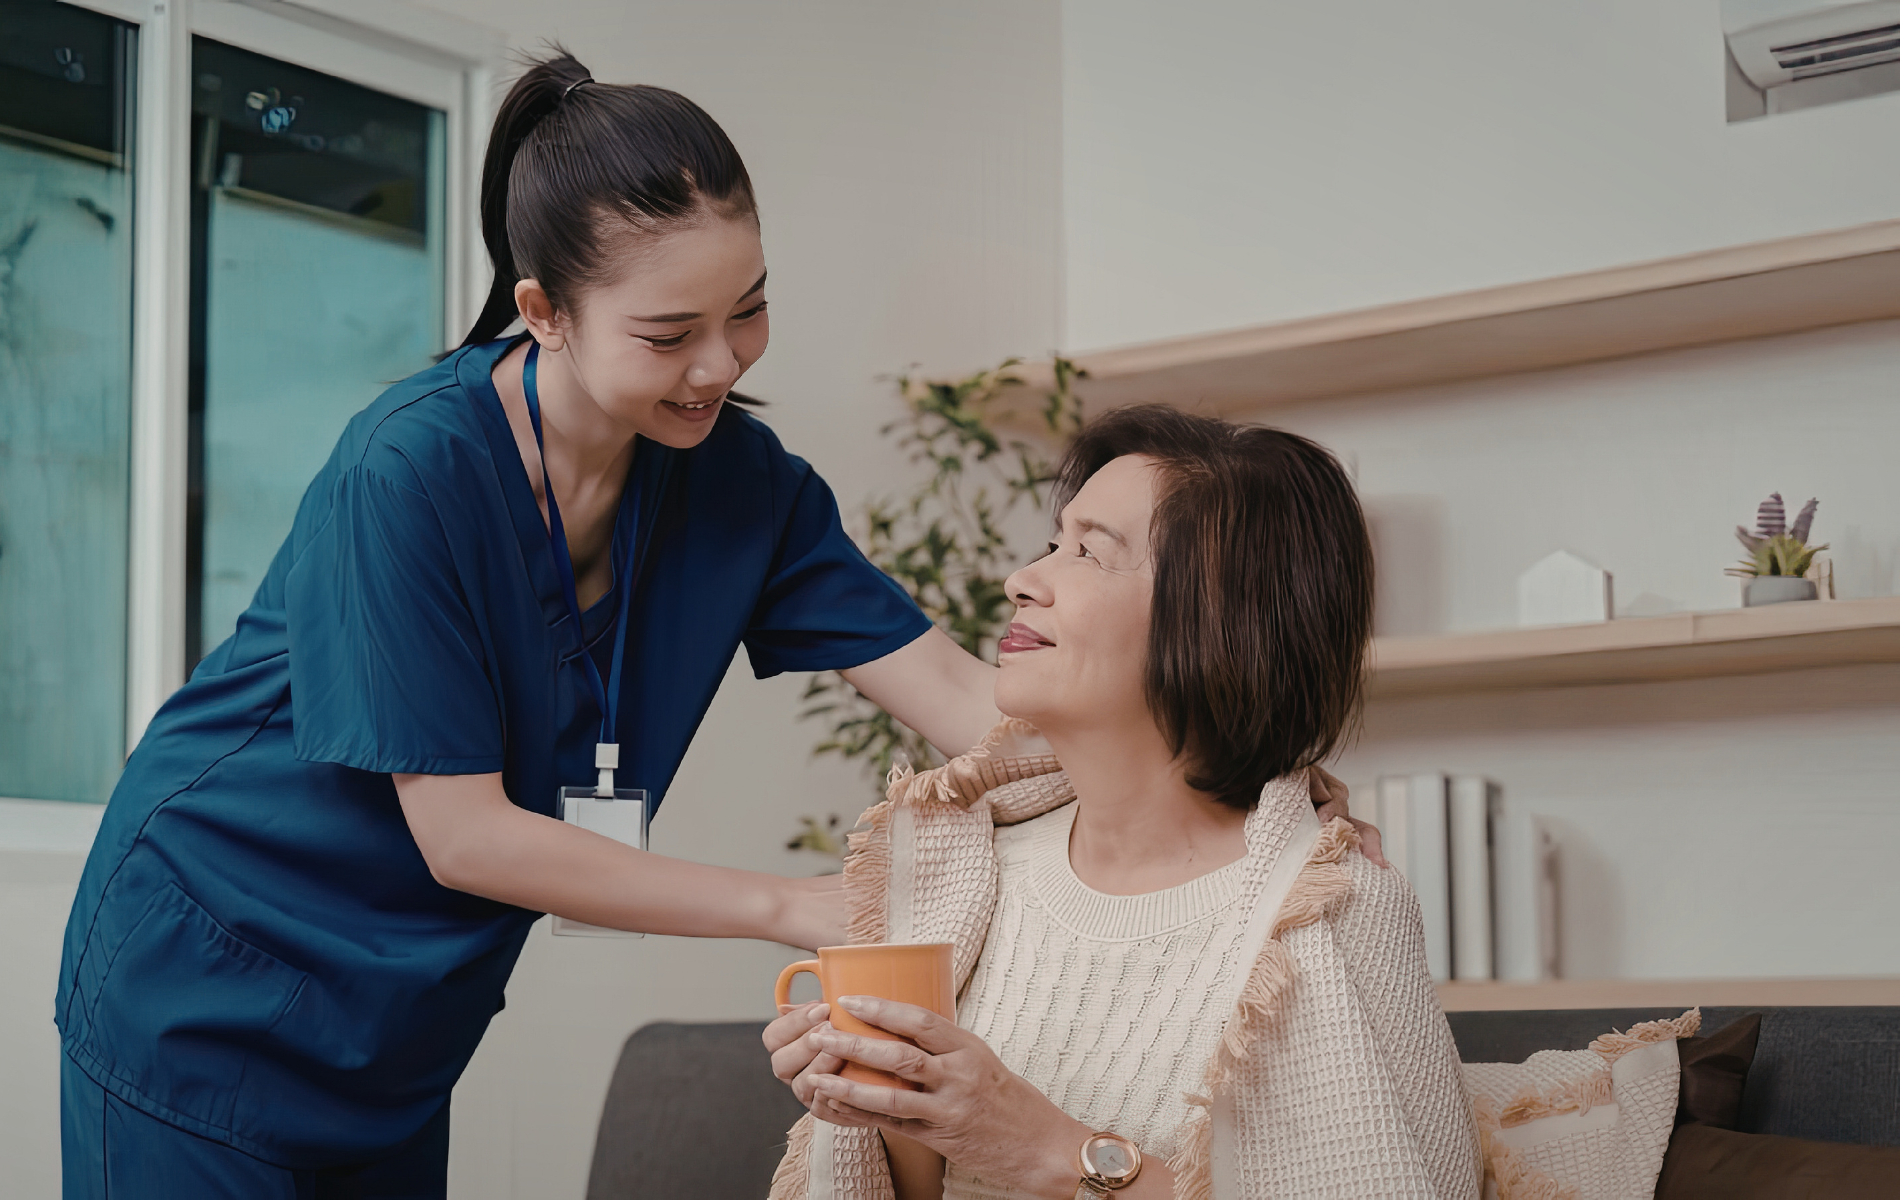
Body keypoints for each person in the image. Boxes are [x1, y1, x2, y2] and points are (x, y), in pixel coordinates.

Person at [54, 50, 1370, 1197]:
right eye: (671, 331)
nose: (723, 364)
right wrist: (796, 908)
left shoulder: (738, 485)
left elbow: (978, 713)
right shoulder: (408, 472)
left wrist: (1263, 809)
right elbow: (461, 835)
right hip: (201, 970)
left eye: (747, 309)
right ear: (544, 314)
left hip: (393, 1025)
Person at [765, 407, 1478, 1199]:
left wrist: (1054, 1152)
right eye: (1053, 544)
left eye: (1088, 554)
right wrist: (889, 1102)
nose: (1022, 580)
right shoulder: (963, 879)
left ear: (1220, 617)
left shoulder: (1336, 912)